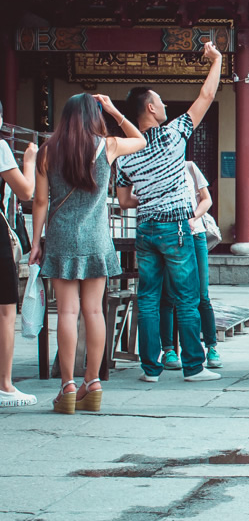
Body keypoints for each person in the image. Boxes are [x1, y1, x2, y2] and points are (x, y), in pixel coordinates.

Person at [30, 94, 145, 413]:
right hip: (96, 239)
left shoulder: (47, 151)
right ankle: (92, 382)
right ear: (93, 116)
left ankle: (67, 387)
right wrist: (113, 110)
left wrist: (36, 242)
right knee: (94, 312)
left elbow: (40, 202)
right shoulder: (106, 146)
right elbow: (140, 140)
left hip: (61, 237)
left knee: (66, 313)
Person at [116, 41, 223, 383]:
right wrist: (217, 59)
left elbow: (124, 201)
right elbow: (206, 97)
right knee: (187, 296)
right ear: (150, 108)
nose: (164, 105)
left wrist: (149, 195)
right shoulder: (172, 136)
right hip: (176, 226)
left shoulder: (124, 154)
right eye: (160, 101)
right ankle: (193, 366)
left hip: (145, 226)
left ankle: (151, 369)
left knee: (147, 298)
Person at [159, 159, 221, 371]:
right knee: (168, 295)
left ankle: (211, 346)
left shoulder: (190, 167)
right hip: (169, 236)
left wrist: (193, 218)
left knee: (202, 294)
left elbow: (206, 200)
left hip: (195, 236)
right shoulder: (158, 166)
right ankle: (168, 349)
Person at [0, 103, 37, 408]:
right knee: (5, 308)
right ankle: (5, 385)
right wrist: (29, 162)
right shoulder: (0, 146)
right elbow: (25, 192)